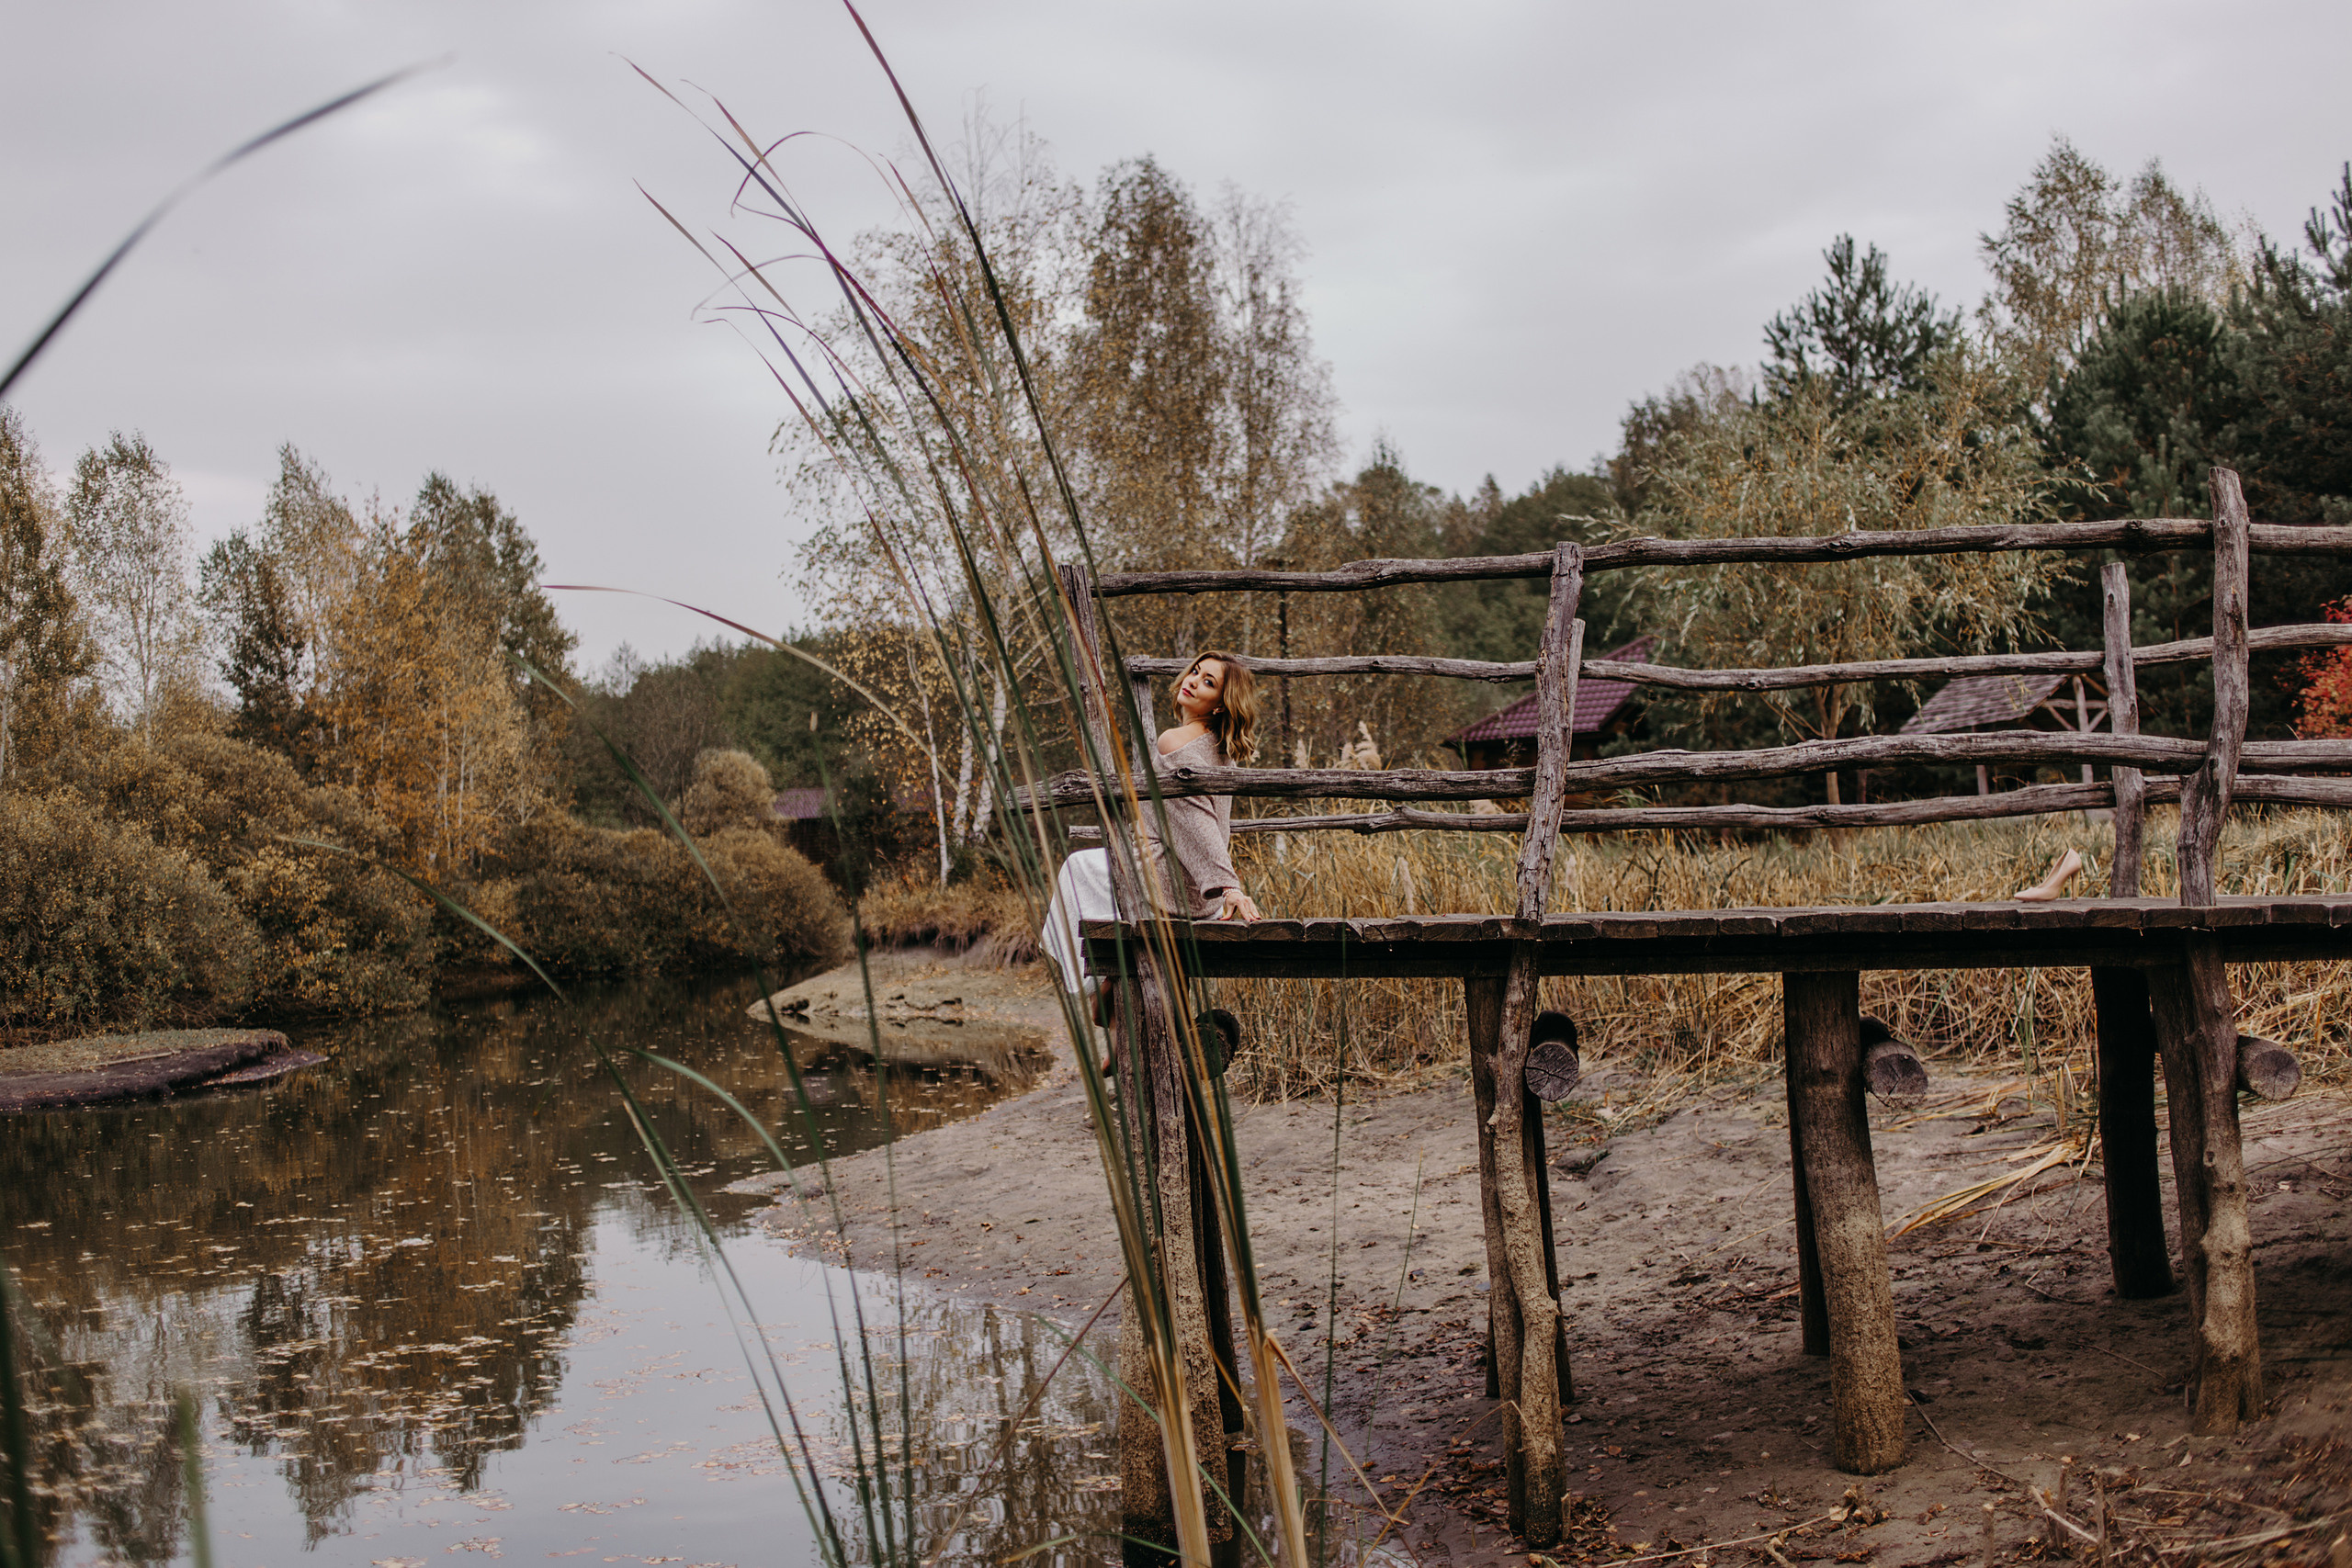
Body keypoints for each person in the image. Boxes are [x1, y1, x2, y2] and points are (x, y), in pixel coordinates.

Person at [1041, 649, 1262, 1014]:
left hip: (1169, 883)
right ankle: (1109, 990)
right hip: (1198, 895)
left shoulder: (1175, 740)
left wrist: (1229, 886)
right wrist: (1223, 888)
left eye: (1208, 682)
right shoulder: (1223, 749)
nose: (1192, 681)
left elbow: (1198, 821)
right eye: (1195, 671)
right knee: (1100, 869)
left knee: (1078, 867)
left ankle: (1099, 992)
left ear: (1221, 705)